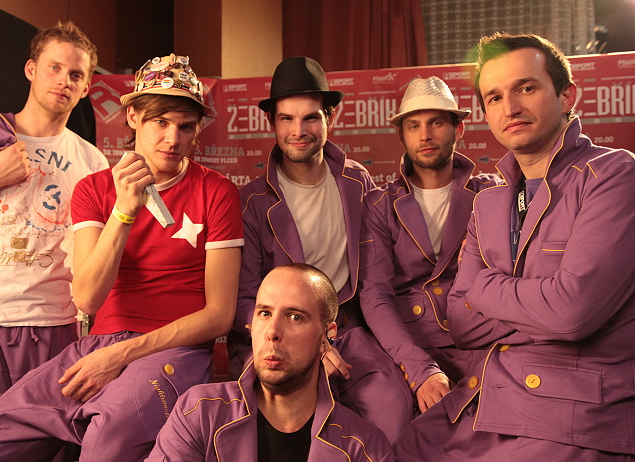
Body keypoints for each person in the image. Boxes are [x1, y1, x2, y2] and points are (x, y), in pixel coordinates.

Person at [0, 53, 244, 462]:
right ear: (134, 117)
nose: (173, 139)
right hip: (97, 345)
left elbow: (219, 316)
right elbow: (87, 297)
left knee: (105, 443)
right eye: (160, 122)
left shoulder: (217, 191)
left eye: (186, 126)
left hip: (176, 350)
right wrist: (124, 211)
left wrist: (121, 355)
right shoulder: (94, 188)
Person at [393, 32, 635, 461]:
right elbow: (461, 323)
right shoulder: (488, 201)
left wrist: (488, 289)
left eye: (526, 88)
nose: (510, 108)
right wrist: (550, 309)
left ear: (566, 96)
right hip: (485, 401)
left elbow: (572, 312)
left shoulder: (614, 174)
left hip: (571, 417)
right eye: (494, 97)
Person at [0, 21, 107, 454]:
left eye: (75, 74)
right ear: (31, 69)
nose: (63, 80)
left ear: (87, 87)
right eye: (54, 67)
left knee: (42, 453)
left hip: (53, 328)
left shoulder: (92, 162)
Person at [227, 56, 413, 443]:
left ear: (330, 117)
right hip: (274, 334)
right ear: (271, 122)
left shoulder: (357, 182)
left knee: (392, 406)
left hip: (346, 330)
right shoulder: (252, 202)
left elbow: (375, 283)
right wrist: (302, 336)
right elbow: (244, 300)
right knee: (290, 421)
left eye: (310, 118)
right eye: (286, 119)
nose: (298, 131)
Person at [146, 263, 392, 462]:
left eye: (295, 317)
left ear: (327, 336)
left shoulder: (365, 448)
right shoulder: (198, 412)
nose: (272, 331)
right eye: (264, 313)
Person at [359, 76, 498, 414]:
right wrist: (419, 368)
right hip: (408, 343)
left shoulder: (489, 193)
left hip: (477, 337)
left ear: (458, 129)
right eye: (413, 126)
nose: (425, 135)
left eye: (436, 122)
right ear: (402, 136)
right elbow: (375, 295)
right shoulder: (379, 204)